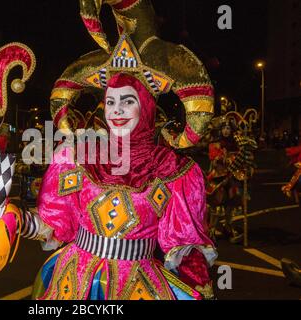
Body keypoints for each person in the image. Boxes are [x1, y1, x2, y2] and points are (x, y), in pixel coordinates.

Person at [18, 70, 217, 300]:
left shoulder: (174, 170)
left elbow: (186, 247)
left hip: (136, 286)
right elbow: (52, 223)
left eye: (128, 101)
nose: (117, 110)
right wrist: (17, 220)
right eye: (110, 101)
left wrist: (200, 286)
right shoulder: (75, 156)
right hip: (74, 281)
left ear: (146, 107)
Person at [206, 120, 244, 244]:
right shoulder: (215, 144)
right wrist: (223, 159)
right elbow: (214, 159)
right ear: (220, 130)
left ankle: (228, 227)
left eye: (228, 128)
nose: (226, 131)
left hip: (232, 178)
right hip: (218, 178)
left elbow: (240, 160)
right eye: (224, 128)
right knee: (216, 206)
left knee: (230, 205)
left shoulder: (236, 145)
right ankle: (211, 231)